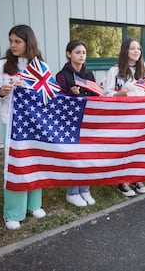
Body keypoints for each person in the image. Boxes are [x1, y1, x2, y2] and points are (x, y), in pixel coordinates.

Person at [0, 24, 46, 230]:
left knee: (35, 163)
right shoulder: (2, 65)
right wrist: (3, 92)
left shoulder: (39, 66)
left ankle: (34, 205)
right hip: (11, 123)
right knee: (16, 167)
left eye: (17, 41)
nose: (13, 45)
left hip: (34, 124)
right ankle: (13, 212)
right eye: (11, 40)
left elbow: (47, 94)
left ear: (27, 43)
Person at [103, 37, 145, 196]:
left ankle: (137, 177)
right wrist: (118, 94)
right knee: (125, 147)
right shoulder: (115, 71)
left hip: (143, 115)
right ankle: (123, 180)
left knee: (140, 146)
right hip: (124, 116)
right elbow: (107, 94)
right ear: (125, 51)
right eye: (133, 48)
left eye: (139, 49)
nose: (137, 51)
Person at [56, 40, 97, 207]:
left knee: (87, 155)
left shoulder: (90, 74)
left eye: (84, 53)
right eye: (78, 52)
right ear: (69, 54)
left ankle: (85, 189)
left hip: (88, 120)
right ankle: (72, 192)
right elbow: (57, 101)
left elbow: (95, 97)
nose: (81, 55)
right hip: (70, 122)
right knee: (74, 156)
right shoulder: (62, 75)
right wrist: (70, 94)